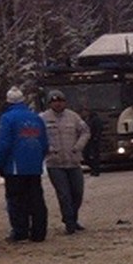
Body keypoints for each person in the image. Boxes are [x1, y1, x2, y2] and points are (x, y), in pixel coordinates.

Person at [0, 86, 49, 242]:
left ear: (8, 102)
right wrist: (37, 159)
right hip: (34, 167)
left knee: (16, 200)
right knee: (36, 199)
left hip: (15, 167)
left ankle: (20, 231)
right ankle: (39, 232)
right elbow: (44, 144)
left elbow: (4, 143)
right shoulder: (36, 118)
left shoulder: (7, 118)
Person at [40, 90, 91, 234]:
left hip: (73, 161)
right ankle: (69, 222)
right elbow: (38, 136)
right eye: (54, 101)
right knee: (64, 194)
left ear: (65, 102)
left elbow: (86, 132)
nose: (58, 103)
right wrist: (47, 148)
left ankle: (73, 217)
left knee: (77, 193)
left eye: (60, 101)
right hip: (55, 163)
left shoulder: (73, 117)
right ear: (50, 103)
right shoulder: (43, 118)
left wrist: (78, 146)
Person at [81, 107, 103, 176]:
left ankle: (96, 170)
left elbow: (98, 129)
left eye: (84, 111)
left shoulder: (95, 119)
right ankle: (93, 168)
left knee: (95, 155)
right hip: (87, 140)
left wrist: (96, 137)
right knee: (86, 155)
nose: (83, 113)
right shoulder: (85, 119)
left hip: (93, 140)